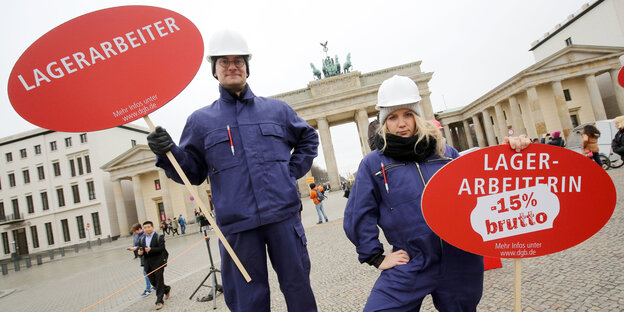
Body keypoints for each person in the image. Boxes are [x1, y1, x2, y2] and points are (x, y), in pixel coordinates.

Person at [146, 29, 318, 311]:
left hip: (283, 217)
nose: (232, 66)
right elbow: (192, 174)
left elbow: (308, 138)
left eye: (238, 60)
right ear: (214, 71)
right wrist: (168, 153)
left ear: (247, 68)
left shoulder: (277, 110)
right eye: (223, 62)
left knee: (298, 289)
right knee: (247, 302)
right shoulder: (200, 121)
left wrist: (289, 173)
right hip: (237, 228)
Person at [343, 75, 530, 311]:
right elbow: (358, 213)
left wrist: (512, 155)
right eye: (393, 117)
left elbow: (481, 184)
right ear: (384, 122)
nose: (401, 123)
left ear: (417, 117)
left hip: (459, 258)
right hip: (412, 259)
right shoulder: (373, 164)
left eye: (408, 114)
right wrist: (376, 257)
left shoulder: (444, 151)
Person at [137, 221, 171, 310]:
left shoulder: (159, 237)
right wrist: (140, 253)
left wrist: (151, 249)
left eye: (148, 227)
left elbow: (162, 248)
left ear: (152, 227)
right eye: (145, 228)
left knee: (159, 280)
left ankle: (159, 301)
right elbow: (142, 251)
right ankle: (166, 289)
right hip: (148, 264)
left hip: (158, 262)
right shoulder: (142, 239)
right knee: (153, 282)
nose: (147, 229)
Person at [128, 223, 154, 297]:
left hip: (146, 255)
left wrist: (135, 248)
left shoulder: (144, 235)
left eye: (135, 231)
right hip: (141, 255)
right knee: (149, 271)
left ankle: (148, 289)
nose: (135, 233)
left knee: (146, 272)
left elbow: (144, 246)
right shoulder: (137, 235)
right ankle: (155, 286)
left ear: (139, 229)